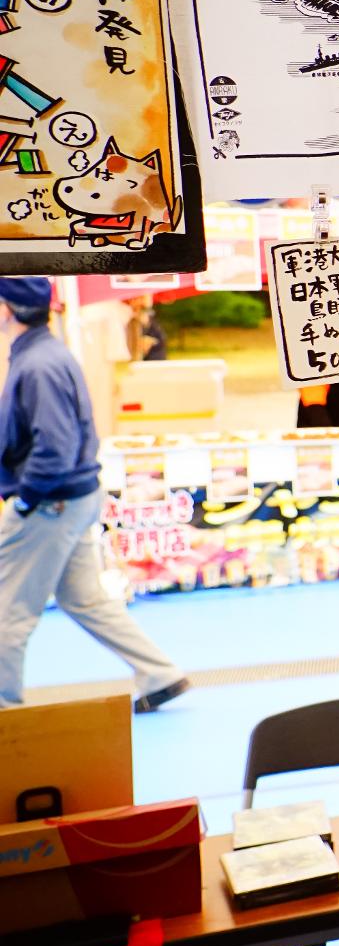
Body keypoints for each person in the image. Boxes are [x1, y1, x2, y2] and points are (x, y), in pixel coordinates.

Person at [0, 277, 188, 712]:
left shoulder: (37, 364)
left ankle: (5, 711)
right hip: (71, 497)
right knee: (84, 598)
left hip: (51, 501)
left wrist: (26, 500)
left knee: (8, 611)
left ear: (9, 308)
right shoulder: (45, 354)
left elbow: (55, 446)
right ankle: (160, 673)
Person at [124, 295, 168, 362]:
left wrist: (152, 341)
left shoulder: (150, 320)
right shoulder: (127, 319)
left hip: (152, 360)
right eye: (137, 298)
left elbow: (160, 340)